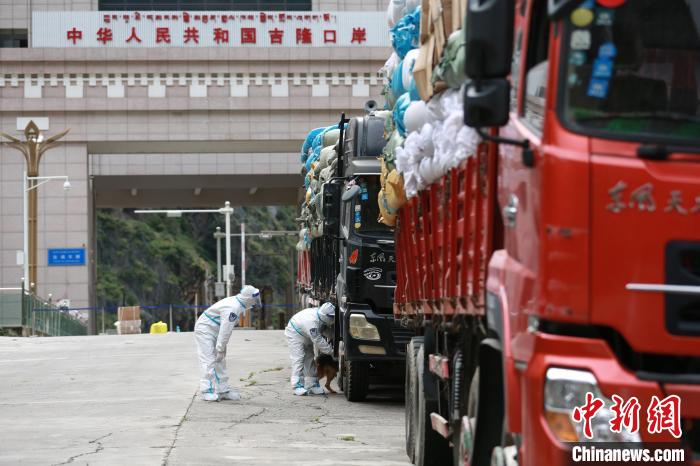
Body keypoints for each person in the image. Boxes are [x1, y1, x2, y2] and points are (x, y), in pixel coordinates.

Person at [195, 285, 261, 402]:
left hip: (214, 329)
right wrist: (220, 348)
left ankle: (223, 390)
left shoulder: (238, 303)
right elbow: (225, 331)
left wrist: (221, 349)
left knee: (220, 360)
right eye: (254, 299)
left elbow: (223, 331)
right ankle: (206, 391)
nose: (256, 301)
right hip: (205, 329)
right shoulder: (233, 308)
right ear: (248, 298)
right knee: (208, 360)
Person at [285, 302, 335, 396]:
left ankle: (312, 385)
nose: (333, 319)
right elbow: (318, 340)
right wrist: (332, 352)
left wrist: (335, 337)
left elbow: (324, 330)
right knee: (299, 359)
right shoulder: (311, 322)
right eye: (332, 317)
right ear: (326, 316)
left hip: (305, 334)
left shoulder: (320, 318)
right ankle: (297, 386)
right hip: (294, 334)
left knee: (310, 359)